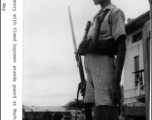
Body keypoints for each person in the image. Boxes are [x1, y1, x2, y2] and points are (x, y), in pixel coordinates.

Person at [77, 0, 126, 120]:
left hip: (104, 70)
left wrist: (116, 81)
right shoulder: (96, 17)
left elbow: (122, 45)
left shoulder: (115, 12)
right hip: (91, 74)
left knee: (105, 110)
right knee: (89, 110)